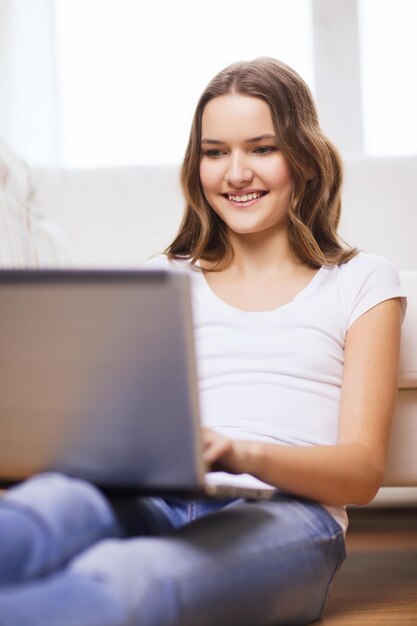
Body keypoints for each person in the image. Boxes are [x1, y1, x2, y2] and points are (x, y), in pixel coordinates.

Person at [0, 57, 406, 625]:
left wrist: (241, 453)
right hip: (153, 495)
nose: (235, 173)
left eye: (262, 148)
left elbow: (362, 474)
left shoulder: (363, 280)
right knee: (42, 512)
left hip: (288, 516)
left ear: (306, 159)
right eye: (215, 152)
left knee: (129, 581)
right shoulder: (161, 280)